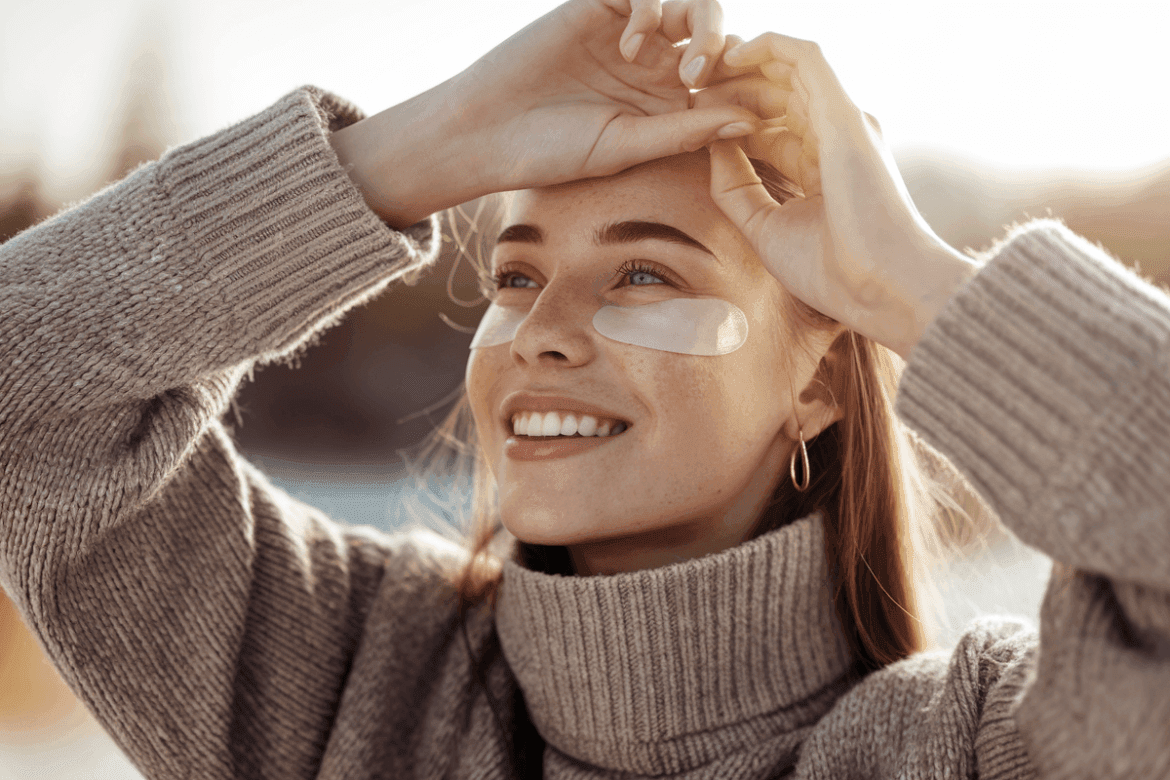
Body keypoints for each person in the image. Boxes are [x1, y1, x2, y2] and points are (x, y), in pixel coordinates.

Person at [0, 0, 1166, 778]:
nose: (542, 335)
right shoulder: (346, 680)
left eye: (644, 272)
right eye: (515, 276)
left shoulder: (974, 745)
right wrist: (430, 145)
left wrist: (901, 281)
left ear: (817, 383)